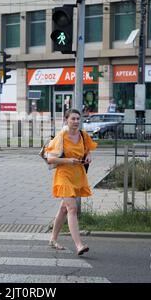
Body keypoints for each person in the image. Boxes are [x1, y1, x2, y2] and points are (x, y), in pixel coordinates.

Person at [44, 109, 98, 256]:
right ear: (66, 120)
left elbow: (87, 149)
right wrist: (69, 160)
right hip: (63, 175)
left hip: (77, 175)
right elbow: (50, 159)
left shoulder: (83, 135)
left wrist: (88, 155)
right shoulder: (61, 136)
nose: (75, 121)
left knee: (63, 209)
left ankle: (53, 239)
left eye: (77, 119)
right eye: (72, 119)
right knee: (72, 208)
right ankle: (79, 244)